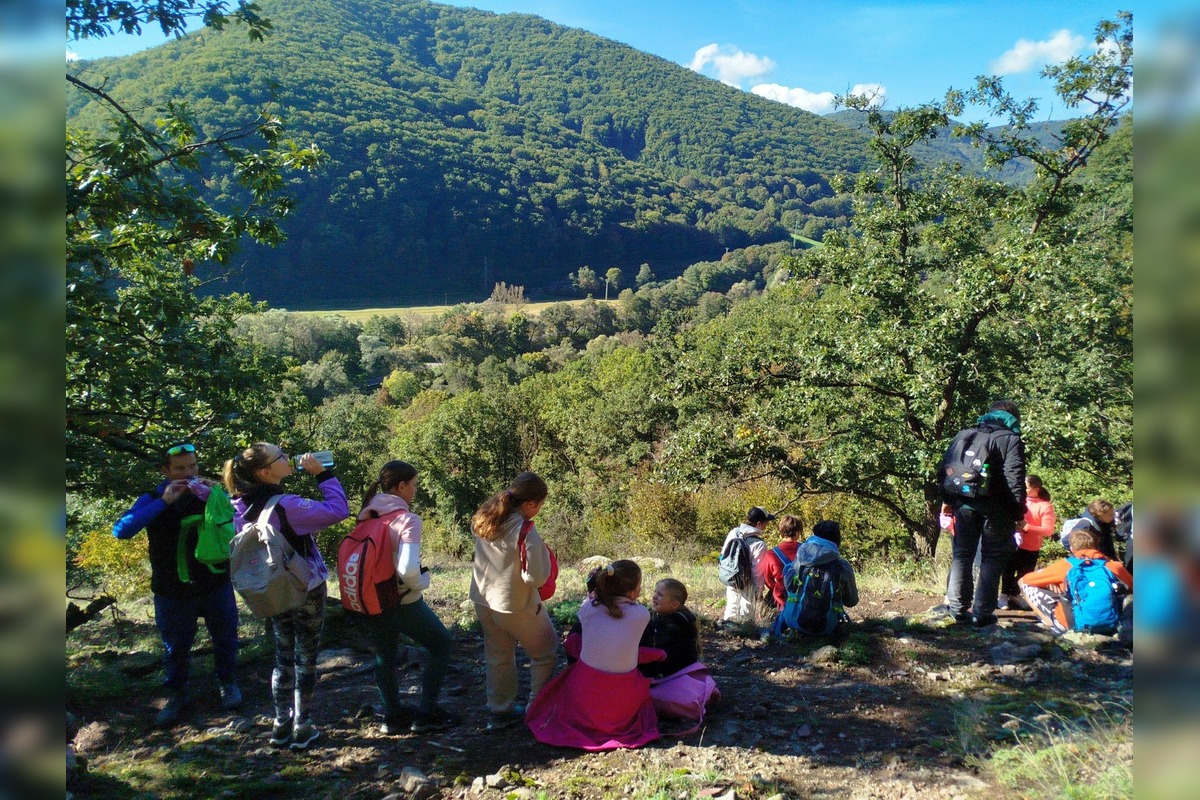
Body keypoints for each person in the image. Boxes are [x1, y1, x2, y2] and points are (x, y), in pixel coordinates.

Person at [224, 443, 348, 750]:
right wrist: (324, 475)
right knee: (305, 658)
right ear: (266, 472)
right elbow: (338, 510)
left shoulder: (236, 506)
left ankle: (280, 724)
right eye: (280, 456)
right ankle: (302, 726)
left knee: (282, 657)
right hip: (305, 587)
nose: (287, 457)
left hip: (269, 588)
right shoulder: (287, 505)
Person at [112, 442, 242, 727]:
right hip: (171, 588)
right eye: (180, 468)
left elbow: (239, 522)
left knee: (225, 636)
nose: (189, 472)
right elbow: (121, 530)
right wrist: (163, 502)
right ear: (165, 471)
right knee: (176, 645)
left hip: (215, 582)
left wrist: (215, 497)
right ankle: (177, 694)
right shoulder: (153, 497)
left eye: (193, 465)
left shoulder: (209, 492)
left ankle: (228, 682)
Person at [355, 461, 458, 735]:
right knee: (442, 644)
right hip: (403, 601)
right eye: (413, 485)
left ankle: (393, 716)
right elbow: (408, 569)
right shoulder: (406, 520)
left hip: (372, 601)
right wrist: (422, 582)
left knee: (384, 657)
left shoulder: (367, 515)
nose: (414, 490)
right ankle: (426, 713)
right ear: (401, 486)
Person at [526, 560, 661, 750]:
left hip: (584, 693)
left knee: (571, 674)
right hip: (621, 697)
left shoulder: (588, 609)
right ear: (633, 591)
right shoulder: (641, 614)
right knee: (641, 683)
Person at [468, 472, 558, 730]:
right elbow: (536, 577)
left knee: (498, 655)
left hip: (483, 599)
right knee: (545, 651)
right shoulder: (525, 529)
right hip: (515, 603)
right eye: (540, 505)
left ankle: (499, 709)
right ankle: (537, 709)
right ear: (531, 504)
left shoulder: (486, 517)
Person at [941, 399, 1027, 628]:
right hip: (997, 509)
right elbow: (1014, 480)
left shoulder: (965, 434)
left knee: (962, 554)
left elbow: (945, 469)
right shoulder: (1010, 439)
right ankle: (982, 613)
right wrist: (1019, 513)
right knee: (992, 558)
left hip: (965, 504)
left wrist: (949, 502)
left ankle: (957, 609)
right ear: (1013, 418)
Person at [1019, 527, 1133, 635]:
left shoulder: (1067, 565)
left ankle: (1052, 624)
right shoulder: (1114, 566)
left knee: (1023, 584)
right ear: (1097, 547)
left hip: (1071, 622)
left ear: (1072, 549)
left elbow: (1027, 580)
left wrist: (1051, 582)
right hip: (1112, 623)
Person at [774, 520, 859, 635]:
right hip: (826, 628)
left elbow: (788, 586)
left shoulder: (801, 558)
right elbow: (851, 601)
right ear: (837, 541)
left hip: (793, 620)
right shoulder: (842, 566)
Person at [1000, 475, 1056, 610]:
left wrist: (1027, 527)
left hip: (1031, 547)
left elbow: (1048, 530)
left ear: (1036, 489)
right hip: (1012, 541)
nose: (1022, 489)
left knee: (1024, 574)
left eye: (1026, 487)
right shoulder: (1017, 500)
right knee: (1007, 570)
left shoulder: (1045, 506)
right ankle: (1003, 596)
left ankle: (1014, 595)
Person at [721, 506, 774, 625]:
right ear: (759, 523)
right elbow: (757, 571)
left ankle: (727, 631)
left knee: (731, 607)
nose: (767, 525)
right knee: (746, 615)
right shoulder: (759, 544)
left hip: (731, 576)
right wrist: (758, 591)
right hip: (747, 583)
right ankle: (743, 633)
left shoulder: (734, 532)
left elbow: (723, 554)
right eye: (766, 522)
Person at [638, 579, 700, 678]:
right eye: (655, 592)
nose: (654, 596)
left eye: (660, 595)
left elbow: (663, 656)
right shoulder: (681, 620)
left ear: (674, 604)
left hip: (672, 677)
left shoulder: (674, 626)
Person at [760, 515, 803, 613]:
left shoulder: (771, 554)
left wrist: (777, 587)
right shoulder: (806, 550)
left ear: (782, 532)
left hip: (782, 598)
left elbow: (768, 580)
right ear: (797, 532)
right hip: (805, 596)